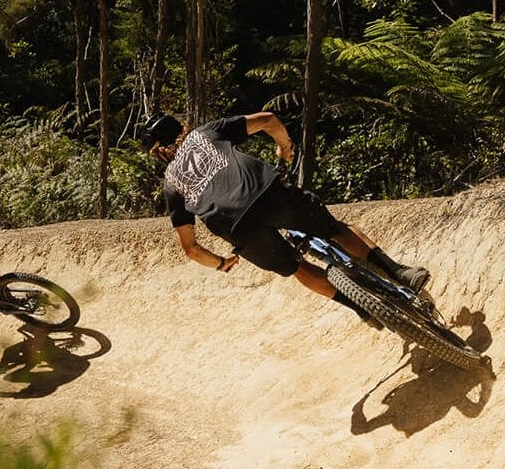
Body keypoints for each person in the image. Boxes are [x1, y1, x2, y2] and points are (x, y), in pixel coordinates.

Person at [140, 111, 431, 316]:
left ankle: (362, 310)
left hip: (238, 228)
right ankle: (400, 273)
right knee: (335, 229)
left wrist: (220, 263)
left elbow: (190, 249)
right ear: (181, 128)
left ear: (158, 152)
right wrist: (285, 147)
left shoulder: (171, 184)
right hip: (266, 193)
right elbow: (268, 119)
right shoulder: (206, 133)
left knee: (298, 269)